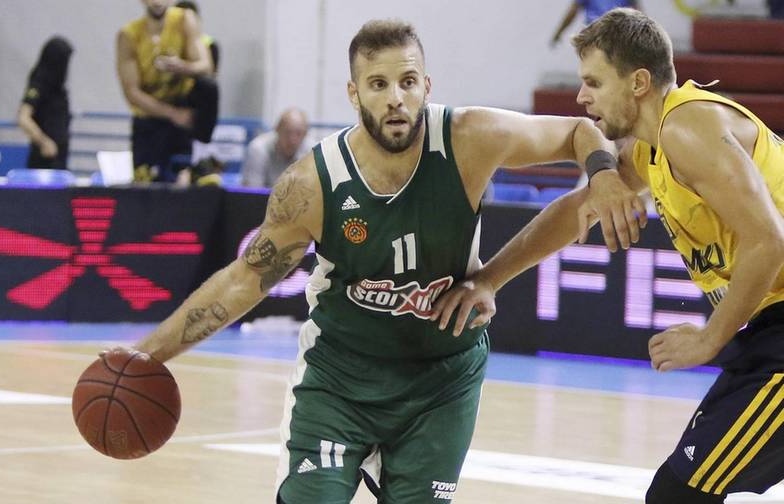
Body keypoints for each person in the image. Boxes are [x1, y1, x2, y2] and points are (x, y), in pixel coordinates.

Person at [118, 19, 641, 503]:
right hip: (340, 382)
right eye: (378, 84)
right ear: (354, 93)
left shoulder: (470, 138)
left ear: (426, 87)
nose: (395, 98)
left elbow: (579, 132)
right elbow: (243, 280)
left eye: (408, 82)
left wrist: (602, 176)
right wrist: (146, 355)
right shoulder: (311, 184)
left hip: (442, 382)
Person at [433, 8, 784, 504]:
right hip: (767, 333)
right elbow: (576, 208)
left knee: (679, 494)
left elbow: (769, 241)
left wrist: (710, 338)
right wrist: (490, 278)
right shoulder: (651, 150)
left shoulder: (688, 126)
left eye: (594, 82)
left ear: (638, 82)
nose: (582, 97)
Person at [116, 0, 217, 183]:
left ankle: (202, 155)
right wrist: (173, 114)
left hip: (182, 106)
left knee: (208, 86)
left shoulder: (184, 20)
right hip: (151, 116)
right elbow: (132, 92)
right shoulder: (129, 35)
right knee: (149, 182)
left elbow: (206, 66)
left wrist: (182, 66)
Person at [17, 36, 73, 170]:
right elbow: (23, 118)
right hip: (44, 159)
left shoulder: (58, 86)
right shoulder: (39, 82)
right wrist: (44, 142)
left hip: (59, 157)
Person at [241, 108, 312, 188]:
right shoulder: (258, 149)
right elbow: (252, 191)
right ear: (277, 130)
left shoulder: (313, 152)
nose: (292, 140)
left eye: (299, 133)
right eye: (287, 132)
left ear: (306, 134)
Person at [550, 0, 639, 47]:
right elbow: (637, 12)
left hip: (597, 32)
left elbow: (573, 11)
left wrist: (559, 32)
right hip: (616, 31)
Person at [174, 1, 219, 73]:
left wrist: (184, 66)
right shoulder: (169, 40)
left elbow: (210, 72)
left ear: (198, 20)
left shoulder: (209, 44)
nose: (186, 25)